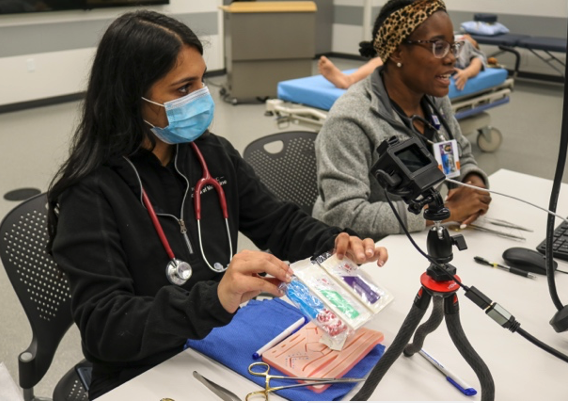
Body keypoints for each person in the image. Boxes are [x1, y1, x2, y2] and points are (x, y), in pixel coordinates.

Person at [46, 10, 388, 399]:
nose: (201, 97)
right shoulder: (90, 192)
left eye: (202, 80)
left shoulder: (211, 156)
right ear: (131, 95)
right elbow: (106, 328)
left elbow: (279, 223)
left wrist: (335, 242)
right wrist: (216, 298)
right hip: (146, 370)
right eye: (183, 88)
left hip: (217, 344)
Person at [313, 0, 491, 240]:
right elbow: (344, 214)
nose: (451, 59)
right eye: (438, 46)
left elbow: (459, 158)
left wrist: (473, 183)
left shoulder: (434, 101)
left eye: (452, 46)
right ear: (398, 51)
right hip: (359, 252)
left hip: (415, 240)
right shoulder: (350, 120)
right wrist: (443, 212)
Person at [318, 33, 485, 91]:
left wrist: (466, 73)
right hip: (430, 51)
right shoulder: (452, 34)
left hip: (436, 61)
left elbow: (477, 63)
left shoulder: (470, 47)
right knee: (387, 58)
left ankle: (349, 80)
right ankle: (348, 79)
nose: (468, 36)